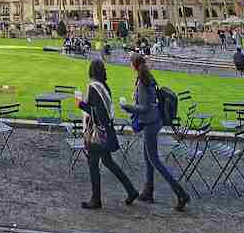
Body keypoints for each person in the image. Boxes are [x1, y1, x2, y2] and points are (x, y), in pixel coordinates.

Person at [121, 53, 190, 211]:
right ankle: (148, 191)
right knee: (148, 158)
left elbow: (144, 107)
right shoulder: (147, 77)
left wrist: (126, 107)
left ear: (135, 65)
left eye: (130, 62)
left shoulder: (143, 82)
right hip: (154, 120)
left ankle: (181, 193)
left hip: (150, 123)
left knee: (154, 160)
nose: (129, 65)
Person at [77, 59, 139, 209]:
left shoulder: (94, 87)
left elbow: (99, 114)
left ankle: (96, 199)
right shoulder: (105, 86)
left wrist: (80, 104)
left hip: (98, 134)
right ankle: (131, 190)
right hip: (107, 131)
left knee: (93, 165)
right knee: (108, 162)